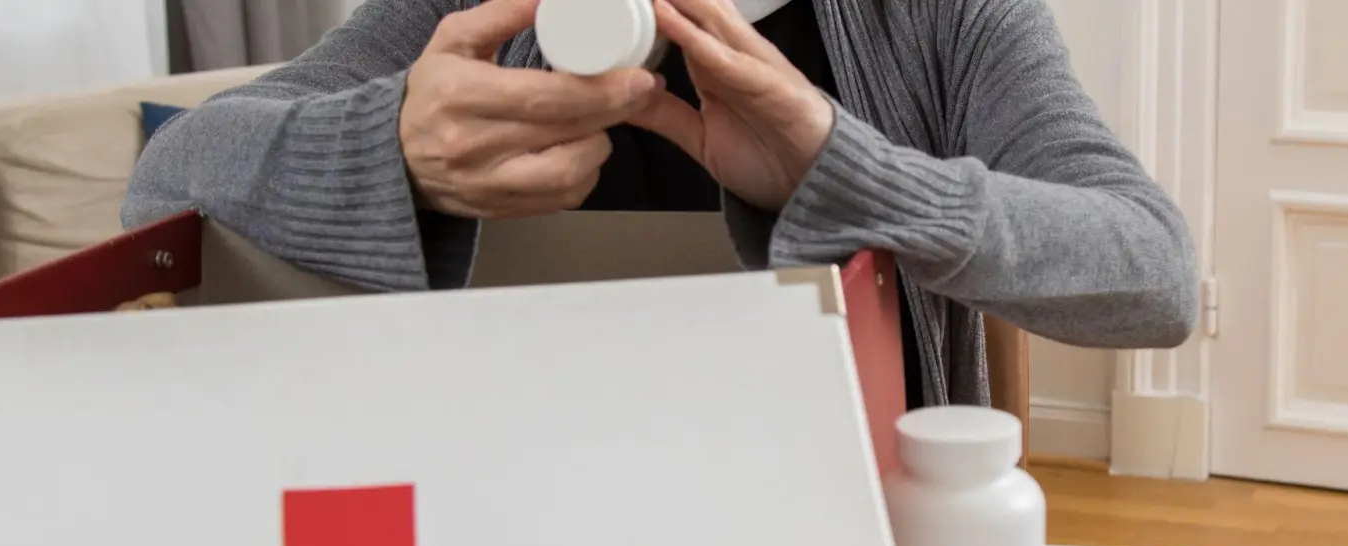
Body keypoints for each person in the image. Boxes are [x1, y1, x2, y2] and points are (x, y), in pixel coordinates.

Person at [124, 0, 1197, 409]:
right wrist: (386, 144)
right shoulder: (469, 14)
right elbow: (163, 184)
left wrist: (846, 169)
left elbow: (1152, 276)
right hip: (520, 538)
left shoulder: (945, 17)